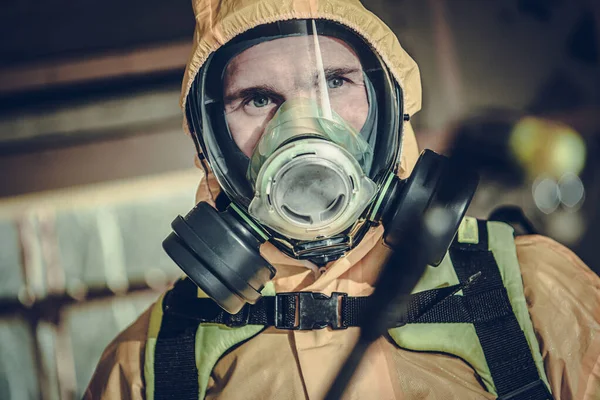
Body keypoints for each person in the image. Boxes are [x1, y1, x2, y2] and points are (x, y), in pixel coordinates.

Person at [84, 0, 600, 399]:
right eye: (258, 98)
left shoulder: (531, 290)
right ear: (213, 142)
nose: (303, 126)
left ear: (386, 106)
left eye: (335, 81)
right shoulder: (146, 364)